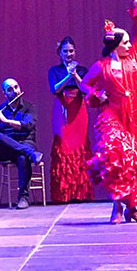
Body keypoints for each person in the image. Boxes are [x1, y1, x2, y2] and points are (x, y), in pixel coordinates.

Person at [80, 0, 137, 224]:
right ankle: (117, 207)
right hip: (112, 115)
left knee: (134, 161)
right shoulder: (101, 66)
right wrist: (96, 94)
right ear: (115, 45)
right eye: (125, 43)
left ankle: (132, 208)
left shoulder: (133, 56)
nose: (129, 45)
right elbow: (84, 85)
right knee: (118, 155)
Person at [0, 78, 43, 210]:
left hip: (26, 142)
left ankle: (23, 197)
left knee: (22, 157)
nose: (15, 91)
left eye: (16, 87)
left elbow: (28, 125)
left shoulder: (30, 107)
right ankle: (31, 154)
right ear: (5, 93)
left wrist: (6, 121)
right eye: (10, 89)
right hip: (7, 150)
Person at [48, 37, 94, 203]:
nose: (69, 54)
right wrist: (68, 76)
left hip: (79, 109)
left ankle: (81, 193)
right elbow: (55, 89)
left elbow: (87, 89)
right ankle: (63, 194)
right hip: (62, 108)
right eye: (65, 51)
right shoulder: (54, 70)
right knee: (63, 146)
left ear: (75, 51)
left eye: (71, 51)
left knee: (80, 146)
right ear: (60, 53)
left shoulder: (82, 69)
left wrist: (75, 75)